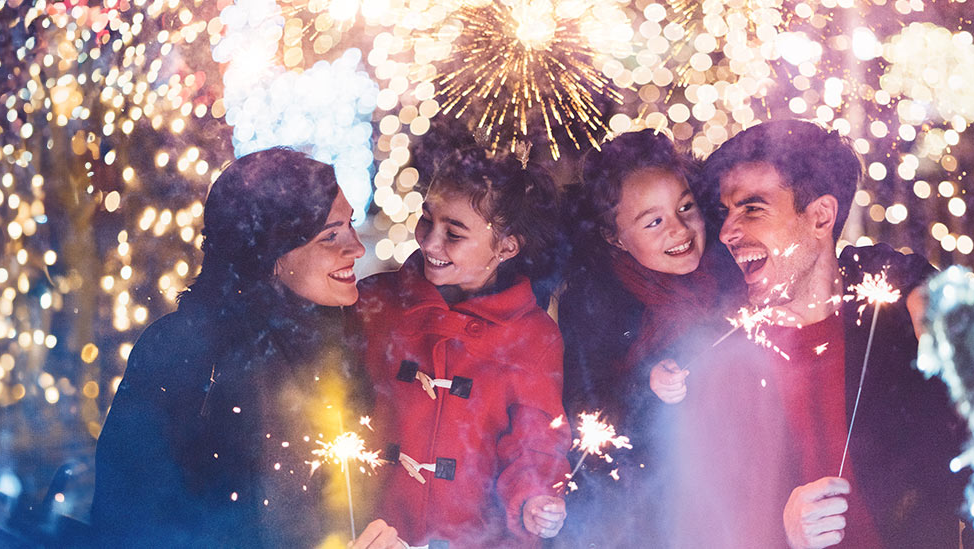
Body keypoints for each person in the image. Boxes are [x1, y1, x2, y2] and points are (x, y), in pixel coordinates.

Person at [664, 120, 969, 548]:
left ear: (821, 216)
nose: (728, 231)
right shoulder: (715, 357)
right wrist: (782, 536)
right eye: (725, 213)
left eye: (752, 208)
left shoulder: (899, 327)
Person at [90, 148, 401, 548]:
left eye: (350, 226)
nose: (357, 249)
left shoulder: (337, 342)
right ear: (271, 254)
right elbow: (128, 520)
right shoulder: (185, 353)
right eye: (330, 236)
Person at [355, 145, 571, 548]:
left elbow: (535, 443)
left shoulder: (533, 338)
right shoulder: (375, 303)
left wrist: (534, 498)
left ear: (506, 247)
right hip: (377, 533)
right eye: (426, 220)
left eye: (454, 233)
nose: (430, 243)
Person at [554, 129, 745, 547]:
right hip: (634, 509)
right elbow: (584, 407)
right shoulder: (597, 302)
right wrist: (646, 383)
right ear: (613, 236)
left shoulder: (734, 271)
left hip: (727, 490)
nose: (678, 230)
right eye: (654, 221)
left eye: (685, 208)